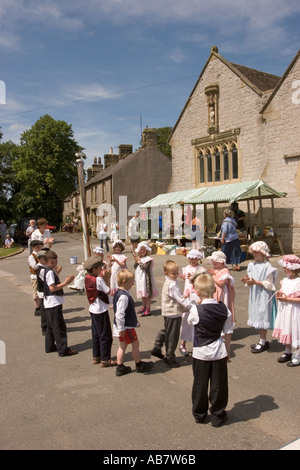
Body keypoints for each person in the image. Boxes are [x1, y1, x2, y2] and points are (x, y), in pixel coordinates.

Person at [187, 272, 233, 427]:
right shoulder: (224, 309)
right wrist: (227, 350)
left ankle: (199, 414)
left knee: (200, 383)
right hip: (219, 350)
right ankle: (218, 414)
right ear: (214, 290)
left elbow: (191, 322)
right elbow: (227, 331)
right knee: (219, 384)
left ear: (197, 292)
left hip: (201, 352)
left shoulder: (195, 310)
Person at [113, 269, 154, 376]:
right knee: (135, 344)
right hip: (126, 327)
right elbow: (120, 314)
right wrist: (122, 329)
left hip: (123, 326)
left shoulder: (119, 293)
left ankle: (120, 366)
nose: (133, 283)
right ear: (124, 282)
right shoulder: (124, 296)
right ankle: (139, 364)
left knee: (123, 345)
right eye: (132, 281)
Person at [152, 260, 192, 368]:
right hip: (173, 312)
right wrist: (191, 307)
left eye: (177, 272)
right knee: (173, 335)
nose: (176, 275)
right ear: (166, 273)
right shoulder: (172, 285)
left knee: (168, 331)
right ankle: (169, 356)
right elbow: (180, 299)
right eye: (173, 273)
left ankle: (157, 346)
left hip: (168, 312)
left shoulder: (169, 281)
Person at [241, 241, 277, 353]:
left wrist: (256, 282)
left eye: (257, 252)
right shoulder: (252, 265)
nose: (255, 254)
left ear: (263, 253)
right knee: (257, 315)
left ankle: (262, 341)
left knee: (262, 316)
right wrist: (247, 281)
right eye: (254, 252)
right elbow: (250, 278)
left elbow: (270, 284)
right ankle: (263, 340)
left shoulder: (268, 266)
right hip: (255, 294)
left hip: (264, 295)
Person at [43, 250, 77, 357]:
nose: (54, 264)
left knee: (51, 326)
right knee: (59, 326)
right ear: (46, 262)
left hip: (49, 302)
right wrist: (65, 283)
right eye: (51, 262)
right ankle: (63, 349)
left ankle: (49, 346)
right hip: (53, 302)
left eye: (55, 261)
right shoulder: (49, 272)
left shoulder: (49, 271)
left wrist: (57, 273)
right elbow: (52, 288)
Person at [84, 255, 116, 367]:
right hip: (100, 310)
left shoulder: (87, 278)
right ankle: (105, 359)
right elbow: (108, 291)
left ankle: (96, 356)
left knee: (96, 333)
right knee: (105, 335)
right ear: (94, 269)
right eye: (99, 268)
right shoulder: (98, 280)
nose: (101, 270)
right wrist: (106, 279)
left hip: (93, 309)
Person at [207, 251, 236, 359]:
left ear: (222, 262)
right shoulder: (214, 270)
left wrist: (213, 275)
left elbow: (221, 283)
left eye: (216, 261)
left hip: (222, 297)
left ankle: (226, 351)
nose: (214, 263)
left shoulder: (225, 270)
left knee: (225, 321)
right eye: (213, 261)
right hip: (214, 295)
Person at [272, 255, 300, 367]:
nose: (285, 269)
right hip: (285, 309)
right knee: (287, 328)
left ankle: (297, 354)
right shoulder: (284, 281)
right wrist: (280, 294)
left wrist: (286, 298)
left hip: (295, 311)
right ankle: (287, 351)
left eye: (287, 267)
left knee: (295, 329)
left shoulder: (299, 282)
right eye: (284, 267)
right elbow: (284, 292)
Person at [179, 250, 204, 356]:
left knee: (197, 319)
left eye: (195, 258)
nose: (193, 261)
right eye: (191, 258)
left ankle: (197, 343)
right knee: (186, 320)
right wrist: (177, 274)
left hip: (197, 296)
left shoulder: (201, 269)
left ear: (199, 259)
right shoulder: (187, 268)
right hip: (188, 296)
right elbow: (184, 277)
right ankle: (182, 344)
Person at [133, 241, 159, 317]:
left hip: (146, 279)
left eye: (144, 250)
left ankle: (148, 309)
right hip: (140, 279)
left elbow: (144, 267)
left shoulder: (149, 259)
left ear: (147, 250)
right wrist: (136, 261)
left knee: (147, 295)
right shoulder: (140, 258)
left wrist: (138, 261)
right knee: (143, 294)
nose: (142, 251)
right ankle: (143, 306)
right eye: (141, 250)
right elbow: (135, 267)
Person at [28, 239, 44, 316]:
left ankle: (41, 307)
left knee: (41, 292)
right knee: (36, 293)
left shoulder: (39, 255)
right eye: (37, 247)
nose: (39, 249)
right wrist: (41, 262)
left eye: (40, 247)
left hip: (41, 276)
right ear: (33, 247)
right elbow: (34, 267)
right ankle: (37, 308)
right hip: (35, 277)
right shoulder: (31, 257)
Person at [36, 249, 49, 336]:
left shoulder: (44, 268)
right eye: (44, 259)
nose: (45, 260)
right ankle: (44, 327)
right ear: (39, 259)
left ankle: (47, 326)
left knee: (46, 310)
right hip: (43, 292)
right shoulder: (42, 269)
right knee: (44, 311)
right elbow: (47, 281)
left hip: (44, 291)